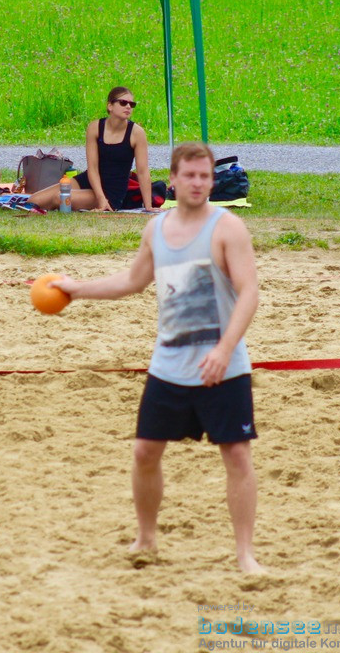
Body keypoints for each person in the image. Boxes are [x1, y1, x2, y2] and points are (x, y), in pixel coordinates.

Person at [53, 142, 261, 574]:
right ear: (175, 179)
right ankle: (146, 538)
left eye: (206, 176)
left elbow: (250, 294)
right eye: (191, 175)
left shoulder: (228, 228)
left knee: (237, 456)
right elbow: (132, 281)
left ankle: (245, 554)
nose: (199, 183)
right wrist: (77, 289)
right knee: (145, 452)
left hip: (223, 365)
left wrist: (224, 350)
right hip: (170, 363)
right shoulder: (157, 229)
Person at [28, 87, 155, 212]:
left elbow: (143, 172)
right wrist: (99, 198)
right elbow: (93, 168)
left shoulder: (137, 133)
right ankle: (64, 204)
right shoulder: (95, 127)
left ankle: (65, 204)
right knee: (33, 201)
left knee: (59, 198)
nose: (128, 107)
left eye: (132, 104)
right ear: (110, 106)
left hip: (111, 191)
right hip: (89, 180)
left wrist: (148, 206)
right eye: (123, 102)